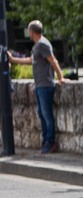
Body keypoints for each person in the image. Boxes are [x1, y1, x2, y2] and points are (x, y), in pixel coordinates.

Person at [7, 20, 64, 153]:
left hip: (45, 85)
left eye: (29, 30)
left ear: (32, 31)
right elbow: (30, 60)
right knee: (42, 114)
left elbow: (53, 60)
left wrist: (60, 77)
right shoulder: (38, 45)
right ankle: (45, 142)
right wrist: (13, 60)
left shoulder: (43, 44)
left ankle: (50, 143)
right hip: (39, 85)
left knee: (46, 114)